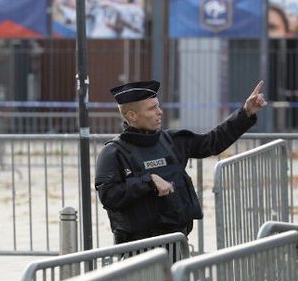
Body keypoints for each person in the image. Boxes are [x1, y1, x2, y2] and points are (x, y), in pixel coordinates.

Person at [95, 80, 268, 244]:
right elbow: (109, 196)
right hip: (138, 251)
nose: (160, 111)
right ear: (132, 116)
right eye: (152, 108)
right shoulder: (113, 152)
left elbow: (212, 142)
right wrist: (148, 181)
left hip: (176, 243)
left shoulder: (172, 141)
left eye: (158, 106)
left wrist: (246, 113)